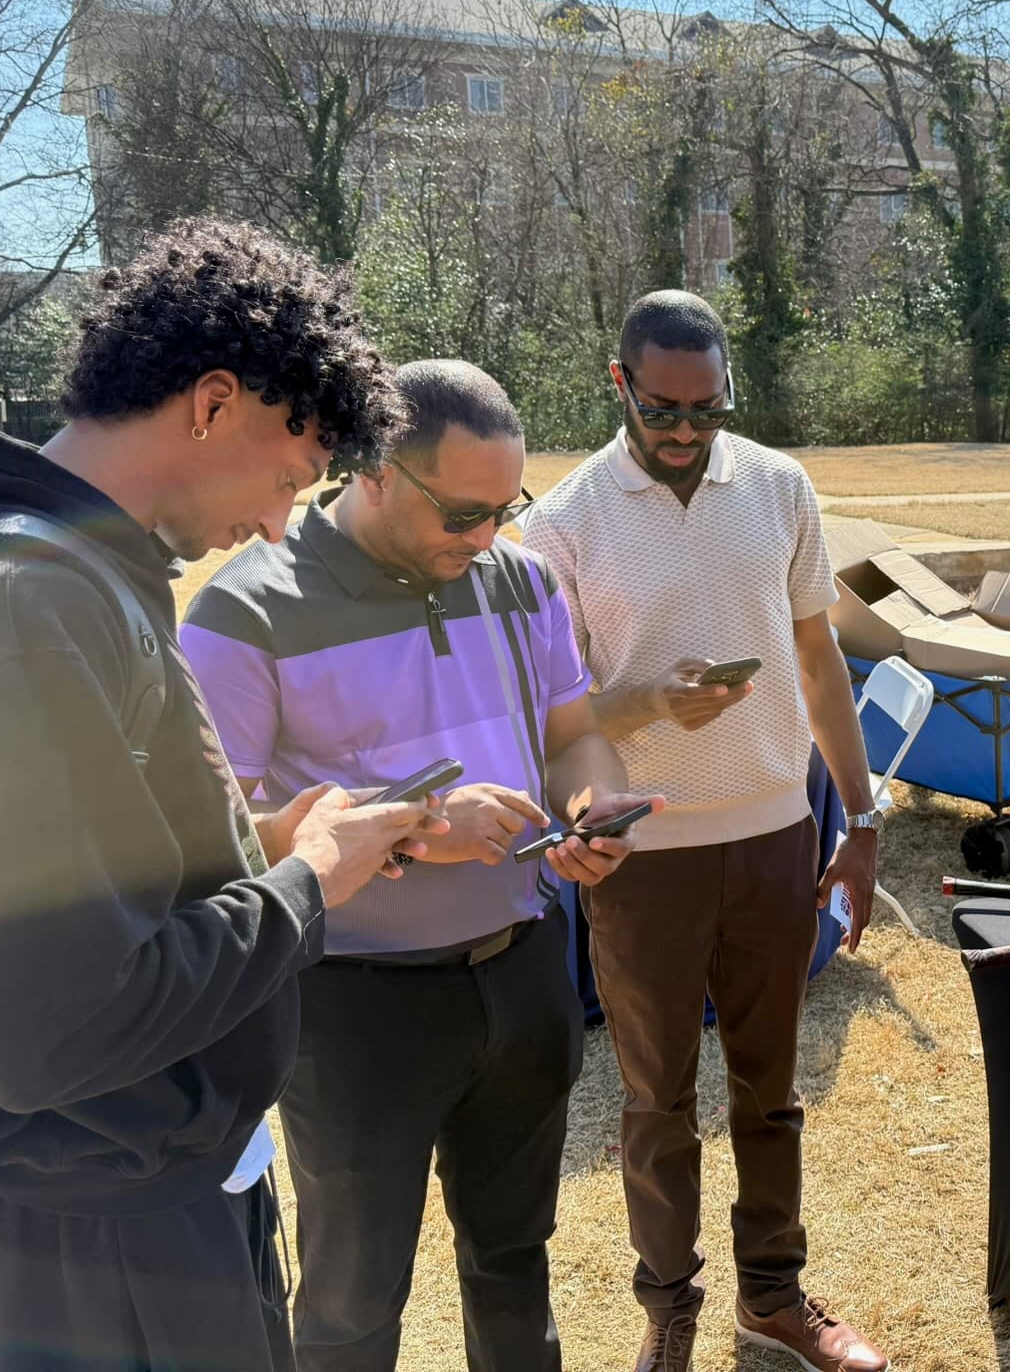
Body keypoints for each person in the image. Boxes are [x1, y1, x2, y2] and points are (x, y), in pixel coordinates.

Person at [0, 218, 446, 1371]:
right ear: (214, 402)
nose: (281, 523)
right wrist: (305, 889)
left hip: (136, 1192)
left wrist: (256, 847)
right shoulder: (12, 600)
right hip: (94, 1250)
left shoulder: (67, 569)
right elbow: (55, 1028)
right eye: (291, 479)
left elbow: (81, 895)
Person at [182, 359, 660, 1372]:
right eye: (460, 514)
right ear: (375, 469)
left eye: (503, 509)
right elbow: (209, 841)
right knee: (353, 1297)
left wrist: (587, 808)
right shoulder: (246, 611)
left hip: (524, 968)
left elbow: (573, 732)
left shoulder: (521, 579)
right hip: (350, 1006)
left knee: (515, 1258)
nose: (484, 538)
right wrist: (414, 824)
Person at [522, 291, 888, 1372]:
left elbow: (820, 666)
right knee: (657, 1104)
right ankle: (667, 1310)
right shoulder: (562, 524)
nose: (683, 430)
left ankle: (770, 1300)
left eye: (706, 407)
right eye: (661, 408)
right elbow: (549, 719)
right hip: (643, 865)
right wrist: (647, 703)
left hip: (774, 840)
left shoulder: (777, 487)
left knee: (770, 1094)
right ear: (617, 383)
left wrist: (859, 821)